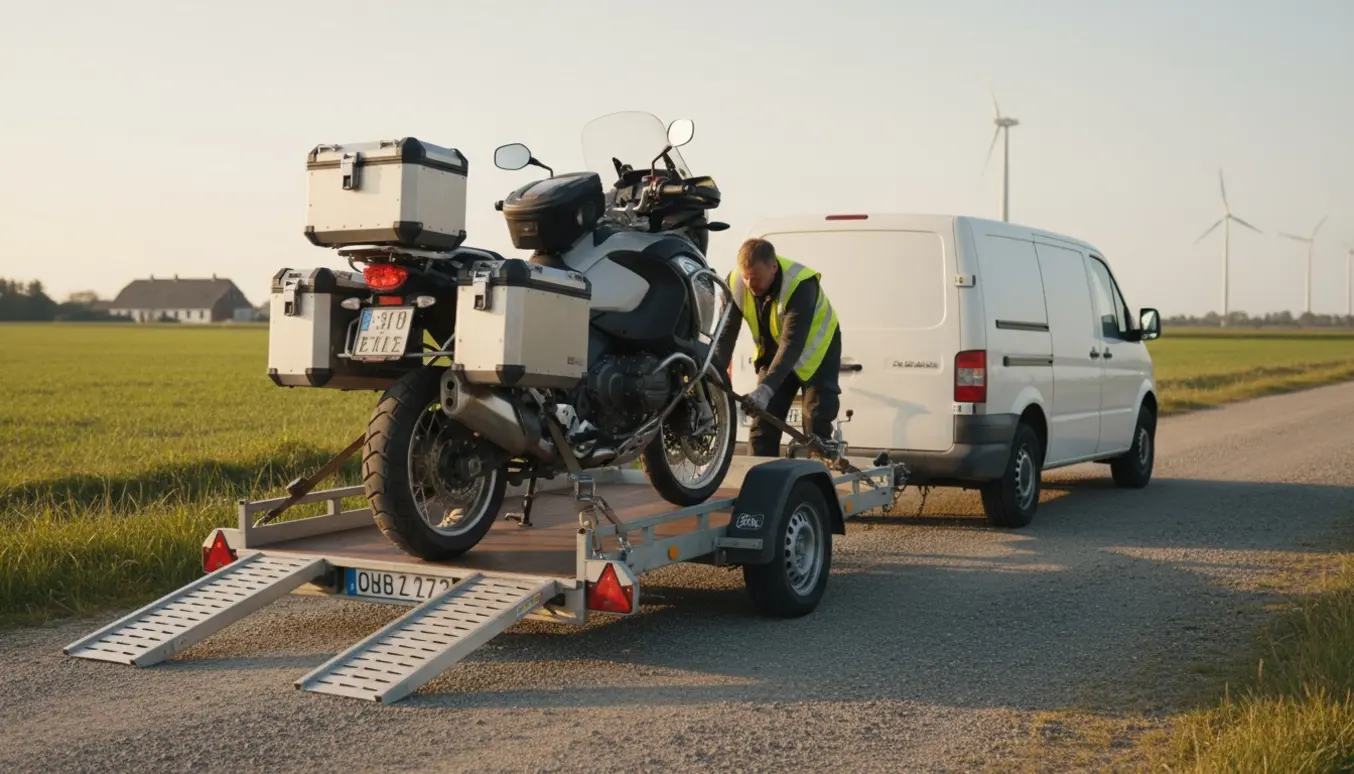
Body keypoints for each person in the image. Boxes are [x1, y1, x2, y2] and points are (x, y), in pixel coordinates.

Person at [711, 237, 842, 457]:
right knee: (763, 424)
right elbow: (724, 337)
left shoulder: (800, 284)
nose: (751, 285)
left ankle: (817, 483)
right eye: (746, 278)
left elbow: (792, 344)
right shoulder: (735, 283)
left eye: (756, 278)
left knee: (816, 426)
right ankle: (760, 482)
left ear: (773, 267)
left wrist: (766, 389)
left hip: (817, 355)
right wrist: (712, 378)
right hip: (775, 355)